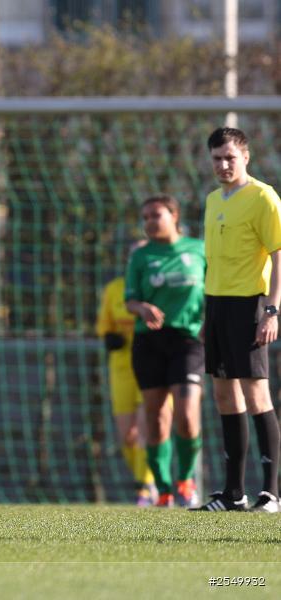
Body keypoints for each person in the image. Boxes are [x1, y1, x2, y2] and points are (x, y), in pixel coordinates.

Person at [194, 127, 281, 512]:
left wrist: (272, 309)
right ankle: (233, 494)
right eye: (217, 158)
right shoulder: (214, 199)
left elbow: (280, 255)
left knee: (256, 393)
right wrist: (205, 313)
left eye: (230, 157)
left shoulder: (263, 197)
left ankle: (272, 493)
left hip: (250, 304)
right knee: (223, 394)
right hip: (217, 305)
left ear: (245, 156)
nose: (224, 165)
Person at [124, 195, 206, 508]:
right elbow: (130, 299)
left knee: (186, 415)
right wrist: (142, 307)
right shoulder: (141, 256)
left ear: (174, 215)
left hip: (188, 340)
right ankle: (163, 489)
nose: (149, 222)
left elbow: (214, 289)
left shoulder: (199, 250)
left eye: (156, 215)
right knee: (156, 418)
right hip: (150, 342)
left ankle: (186, 480)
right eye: (145, 217)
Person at [96, 241, 157, 506]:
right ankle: (146, 482)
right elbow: (104, 326)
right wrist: (110, 337)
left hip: (152, 363)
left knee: (147, 428)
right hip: (121, 368)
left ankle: (147, 485)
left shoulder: (157, 287)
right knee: (127, 436)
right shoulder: (114, 289)